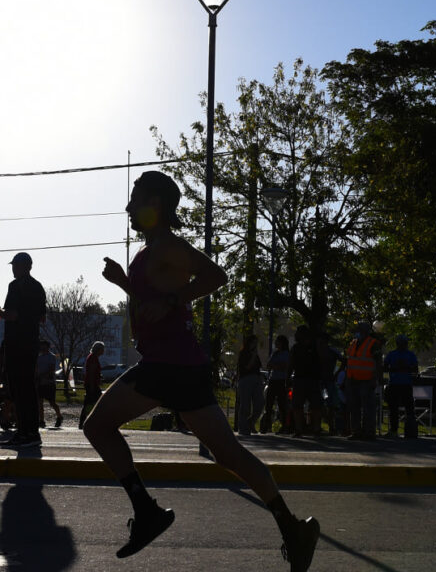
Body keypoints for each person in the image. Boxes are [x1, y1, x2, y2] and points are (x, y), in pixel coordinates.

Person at [85, 170, 319, 571]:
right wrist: (126, 284)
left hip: (168, 364)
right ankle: (293, 528)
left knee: (96, 426)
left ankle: (146, 511)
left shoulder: (170, 247)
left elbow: (216, 276)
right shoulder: (150, 251)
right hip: (181, 366)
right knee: (230, 454)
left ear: (155, 205)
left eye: (135, 199)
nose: (128, 207)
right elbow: (150, 303)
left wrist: (175, 299)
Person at [0, 253, 47, 448]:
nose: (13, 269)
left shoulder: (16, 286)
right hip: (31, 343)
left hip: (17, 344)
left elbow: (13, 314)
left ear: (26, 266)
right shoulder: (38, 287)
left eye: (16, 265)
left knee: (18, 389)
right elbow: (42, 318)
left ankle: (26, 433)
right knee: (28, 389)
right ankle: (29, 431)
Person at [343, 321, 382, 440]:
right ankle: (356, 432)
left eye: (360, 329)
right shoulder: (353, 343)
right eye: (358, 329)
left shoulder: (373, 343)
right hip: (353, 380)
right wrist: (347, 379)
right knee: (354, 407)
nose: (358, 331)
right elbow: (349, 361)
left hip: (366, 380)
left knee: (368, 408)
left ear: (366, 330)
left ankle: (369, 432)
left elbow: (378, 362)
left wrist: (375, 378)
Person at [383, 334, 419, 439]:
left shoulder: (410, 355)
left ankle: (410, 430)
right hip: (394, 384)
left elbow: (415, 370)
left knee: (409, 409)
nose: (405, 345)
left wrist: (406, 368)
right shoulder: (392, 354)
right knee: (393, 408)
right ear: (398, 343)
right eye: (403, 343)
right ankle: (394, 431)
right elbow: (384, 368)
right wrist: (396, 368)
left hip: (406, 385)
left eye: (406, 343)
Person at [288, 325, 322, 437]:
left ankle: (314, 429)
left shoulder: (313, 347)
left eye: (298, 333)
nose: (296, 335)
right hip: (302, 379)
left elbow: (291, 364)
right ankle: (300, 429)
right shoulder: (297, 347)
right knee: (298, 406)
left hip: (310, 379)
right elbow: (291, 364)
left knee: (314, 406)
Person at [260, 335, 291, 434]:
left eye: (278, 341)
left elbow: (285, 366)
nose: (276, 343)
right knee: (269, 404)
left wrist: (275, 366)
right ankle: (266, 425)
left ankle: (284, 426)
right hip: (272, 380)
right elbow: (268, 365)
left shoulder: (287, 354)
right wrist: (277, 366)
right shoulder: (275, 353)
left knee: (282, 405)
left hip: (282, 381)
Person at [235, 334, 264, 435]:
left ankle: (251, 422)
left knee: (259, 404)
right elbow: (247, 367)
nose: (255, 344)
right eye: (253, 342)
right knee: (245, 405)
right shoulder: (244, 353)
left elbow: (259, 366)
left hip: (256, 379)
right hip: (246, 380)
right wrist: (253, 356)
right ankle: (243, 428)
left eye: (256, 342)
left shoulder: (255, 354)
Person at [316, 333, 343, 436]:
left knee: (330, 405)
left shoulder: (332, 351)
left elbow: (344, 360)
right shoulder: (316, 351)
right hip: (318, 381)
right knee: (318, 405)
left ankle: (332, 427)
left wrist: (336, 373)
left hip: (329, 381)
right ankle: (318, 426)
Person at [36, 340, 63, 428]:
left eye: (44, 346)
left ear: (48, 347)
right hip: (40, 383)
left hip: (49, 382)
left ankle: (59, 416)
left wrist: (43, 375)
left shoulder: (51, 357)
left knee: (52, 402)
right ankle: (41, 420)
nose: (42, 348)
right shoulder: (38, 357)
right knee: (40, 402)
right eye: (41, 346)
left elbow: (51, 369)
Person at [78, 341, 106, 430]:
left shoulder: (93, 357)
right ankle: (88, 422)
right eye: (102, 349)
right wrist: (92, 387)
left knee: (90, 403)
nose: (103, 351)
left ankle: (83, 422)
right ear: (98, 350)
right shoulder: (93, 358)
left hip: (92, 384)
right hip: (91, 385)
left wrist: (99, 378)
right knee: (98, 403)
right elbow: (91, 373)